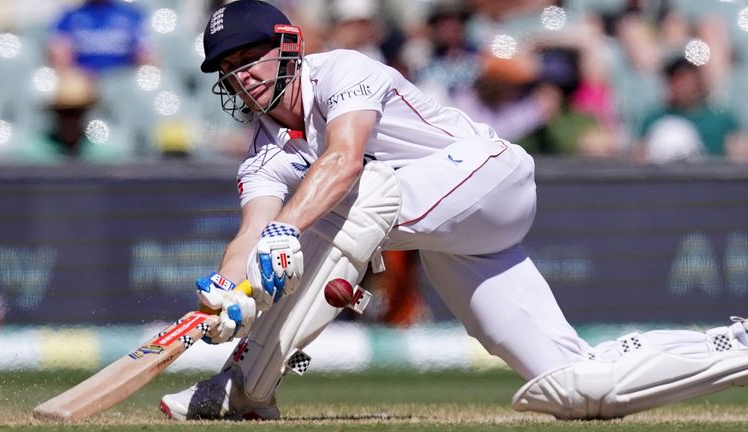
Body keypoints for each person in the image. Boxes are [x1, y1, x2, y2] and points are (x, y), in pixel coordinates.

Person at [159, 0, 748, 422]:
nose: (242, 74)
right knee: (576, 389)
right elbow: (252, 232)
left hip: (487, 175)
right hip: (451, 236)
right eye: (229, 66)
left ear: (289, 44)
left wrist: (283, 236)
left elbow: (340, 161)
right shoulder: (265, 148)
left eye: (251, 55)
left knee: (357, 196)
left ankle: (239, 386)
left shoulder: (341, 70)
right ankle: (733, 349)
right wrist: (226, 293)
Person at [47, 0, 153, 75]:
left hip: (123, 79)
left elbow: (146, 55)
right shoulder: (69, 16)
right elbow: (60, 57)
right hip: (83, 82)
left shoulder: (132, 15)